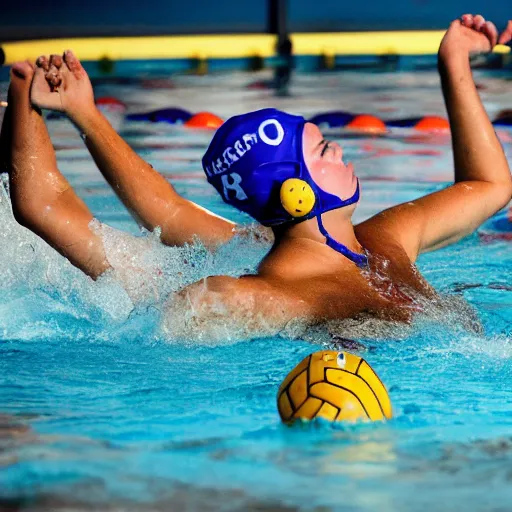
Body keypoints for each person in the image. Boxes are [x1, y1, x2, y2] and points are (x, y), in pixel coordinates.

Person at [1, 14, 511, 340]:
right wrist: (26, 98)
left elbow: (491, 187)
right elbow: (43, 208)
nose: (343, 151)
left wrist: (454, 63)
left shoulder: (385, 239)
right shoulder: (272, 294)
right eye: (324, 148)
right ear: (297, 191)